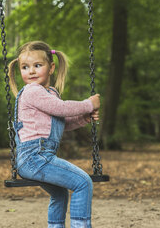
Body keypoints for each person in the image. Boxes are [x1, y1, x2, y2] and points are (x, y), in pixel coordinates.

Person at [8, 41, 100, 228]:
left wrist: (84, 119)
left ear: (51, 68)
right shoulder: (32, 91)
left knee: (60, 194)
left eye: (37, 65)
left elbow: (60, 122)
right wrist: (89, 104)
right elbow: (62, 108)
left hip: (38, 157)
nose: (31, 71)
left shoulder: (49, 93)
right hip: (35, 157)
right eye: (25, 67)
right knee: (83, 183)